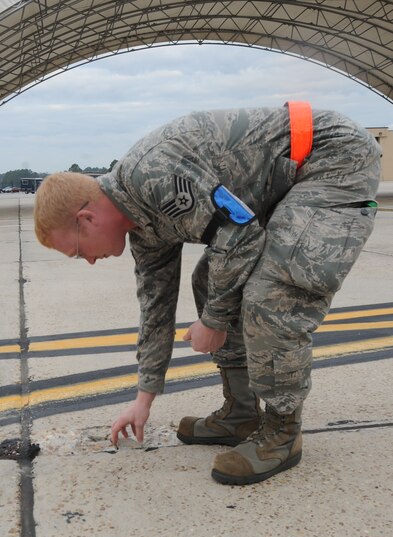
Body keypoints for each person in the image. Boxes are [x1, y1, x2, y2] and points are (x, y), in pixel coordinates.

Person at [34, 102, 381, 485]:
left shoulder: (151, 176)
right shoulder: (143, 229)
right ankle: (241, 412)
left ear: (87, 219)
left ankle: (282, 433)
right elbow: (156, 308)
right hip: (288, 179)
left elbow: (241, 234)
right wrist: (143, 400)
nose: (88, 261)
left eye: (78, 251)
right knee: (211, 279)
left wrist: (214, 321)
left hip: (332, 158)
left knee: (273, 293)